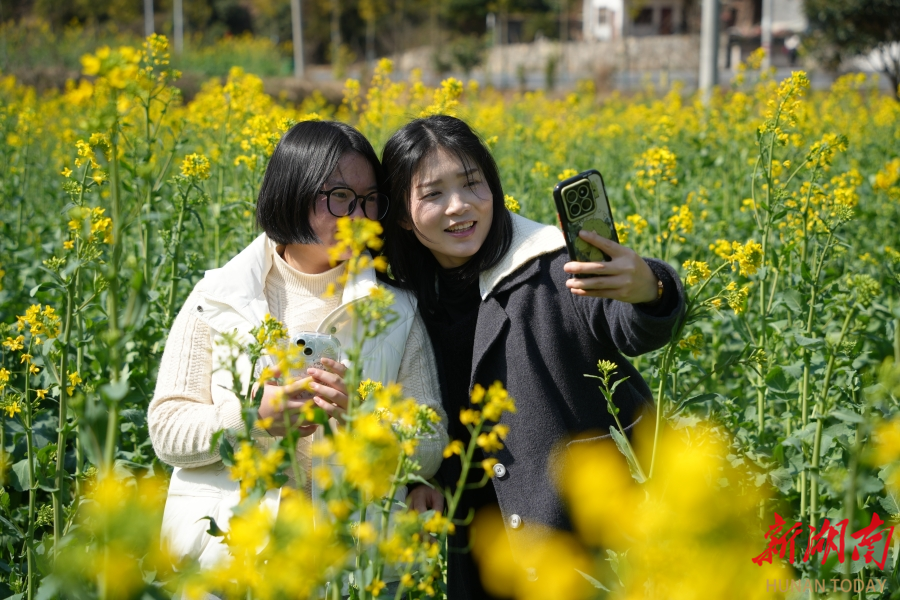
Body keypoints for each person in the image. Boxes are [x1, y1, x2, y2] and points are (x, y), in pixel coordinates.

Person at [379, 115, 685, 599]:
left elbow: (629, 325)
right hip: (478, 542)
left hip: (582, 535)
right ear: (401, 215)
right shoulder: (403, 300)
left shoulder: (551, 262)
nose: (459, 206)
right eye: (433, 194)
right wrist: (421, 476)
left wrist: (651, 287)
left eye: (472, 183)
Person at [147, 120, 447, 576]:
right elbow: (167, 431)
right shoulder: (217, 296)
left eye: (368, 201)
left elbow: (431, 443)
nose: (359, 216)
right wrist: (250, 420)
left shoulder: (397, 311)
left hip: (347, 566)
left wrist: (361, 422)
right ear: (294, 191)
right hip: (230, 565)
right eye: (341, 197)